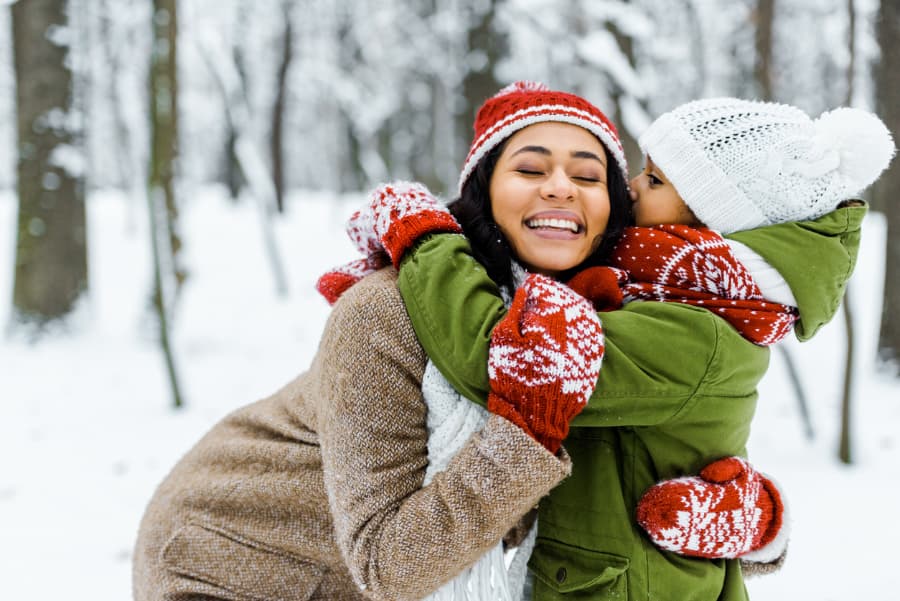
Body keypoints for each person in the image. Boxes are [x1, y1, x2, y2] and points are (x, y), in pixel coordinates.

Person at [133, 82, 723, 601]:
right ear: (484, 192)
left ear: (612, 210)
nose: (561, 188)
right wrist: (527, 431)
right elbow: (387, 567)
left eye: (588, 176)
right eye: (530, 169)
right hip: (237, 568)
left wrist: (752, 531)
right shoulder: (385, 312)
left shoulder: (599, 319)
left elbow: (626, 476)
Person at [326, 86, 893, 599]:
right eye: (529, 168)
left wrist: (426, 240)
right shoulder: (653, 291)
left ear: (705, 219)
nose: (629, 191)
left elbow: (503, 362)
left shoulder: (695, 324)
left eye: (650, 180)